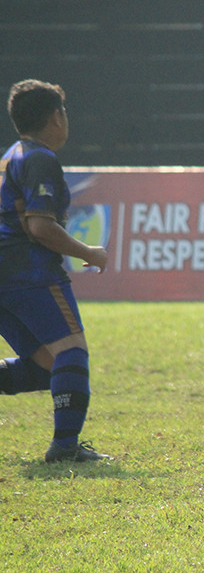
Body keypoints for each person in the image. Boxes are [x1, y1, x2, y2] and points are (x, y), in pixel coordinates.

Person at [0, 79, 110, 463]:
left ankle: (66, 443)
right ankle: (64, 447)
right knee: (71, 352)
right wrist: (89, 252)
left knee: (48, 365)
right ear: (56, 117)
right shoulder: (40, 158)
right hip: (26, 272)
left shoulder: (9, 155)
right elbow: (39, 226)